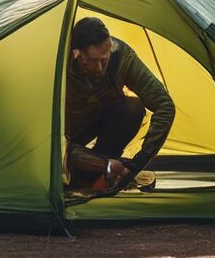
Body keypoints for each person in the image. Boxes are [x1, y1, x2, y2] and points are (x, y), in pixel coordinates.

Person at [65, 17, 175, 191]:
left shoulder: (122, 57)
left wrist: (139, 161)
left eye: (104, 59)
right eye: (93, 61)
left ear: (110, 47)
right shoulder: (58, 63)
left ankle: (108, 172)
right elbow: (46, 141)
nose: (101, 68)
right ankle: (99, 170)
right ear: (77, 54)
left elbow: (164, 105)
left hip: (95, 123)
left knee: (132, 108)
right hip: (62, 138)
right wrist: (102, 163)